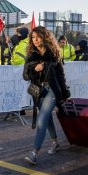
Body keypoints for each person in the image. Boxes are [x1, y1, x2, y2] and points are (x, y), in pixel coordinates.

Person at [23, 26, 70, 165]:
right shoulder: (31, 55)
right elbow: (25, 76)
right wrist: (36, 70)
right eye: (33, 37)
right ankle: (55, 142)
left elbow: (61, 75)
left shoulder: (54, 53)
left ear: (45, 37)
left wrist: (64, 93)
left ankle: (34, 153)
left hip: (52, 90)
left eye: (38, 36)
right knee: (47, 116)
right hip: (38, 91)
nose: (35, 40)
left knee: (42, 119)